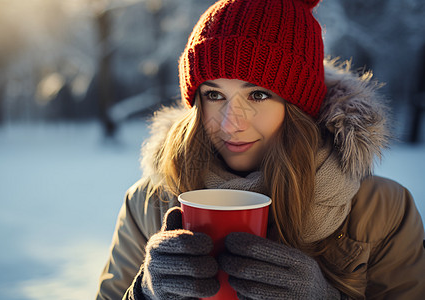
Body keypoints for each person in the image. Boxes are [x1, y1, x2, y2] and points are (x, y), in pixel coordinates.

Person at [96, 0, 425, 299]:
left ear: (298, 107)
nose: (230, 124)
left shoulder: (381, 211)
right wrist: (143, 292)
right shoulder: (148, 203)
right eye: (214, 95)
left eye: (257, 95)